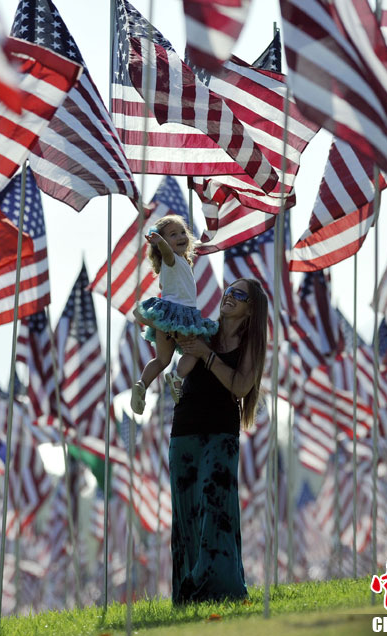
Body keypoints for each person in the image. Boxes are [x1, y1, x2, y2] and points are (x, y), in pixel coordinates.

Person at [168, 277, 268, 605]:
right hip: (184, 432)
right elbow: (182, 369)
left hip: (221, 434)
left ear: (250, 309)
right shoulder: (204, 330)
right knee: (187, 514)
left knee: (215, 505)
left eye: (239, 295)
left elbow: (240, 387)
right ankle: (188, 594)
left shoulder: (250, 343)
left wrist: (208, 357)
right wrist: (187, 344)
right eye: (229, 291)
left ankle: (218, 587)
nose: (229, 297)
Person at [130, 215, 218, 414]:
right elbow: (167, 253)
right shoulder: (172, 259)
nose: (180, 236)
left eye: (181, 232)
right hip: (182, 314)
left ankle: (142, 384)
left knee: (162, 359)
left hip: (166, 316)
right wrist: (160, 242)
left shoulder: (177, 264)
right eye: (172, 234)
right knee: (193, 350)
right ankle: (177, 377)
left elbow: (166, 284)